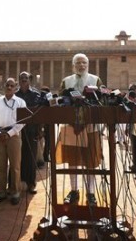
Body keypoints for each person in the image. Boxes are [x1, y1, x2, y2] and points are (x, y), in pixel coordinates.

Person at [56, 53, 103, 205]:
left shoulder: (95, 80)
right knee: (73, 161)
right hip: (71, 127)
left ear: (88, 64)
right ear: (73, 65)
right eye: (78, 63)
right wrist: (72, 121)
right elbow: (61, 103)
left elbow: (100, 103)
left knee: (91, 161)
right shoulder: (66, 81)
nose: (81, 65)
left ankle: (90, 193)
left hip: (90, 127)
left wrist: (85, 121)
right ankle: (74, 190)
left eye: (84, 63)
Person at [0, 78, 26, 205]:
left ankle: (15, 192)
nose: (9, 87)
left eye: (12, 85)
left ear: (16, 87)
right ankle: (1, 192)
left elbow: (23, 121)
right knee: (0, 166)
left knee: (15, 165)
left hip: (14, 135)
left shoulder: (20, 102)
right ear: (3, 86)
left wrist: (9, 134)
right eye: (7, 85)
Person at [16, 72, 41, 194]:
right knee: (18, 158)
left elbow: (38, 113)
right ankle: (19, 182)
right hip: (17, 131)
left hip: (31, 130)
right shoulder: (15, 95)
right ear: (19, 81)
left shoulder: (36, 94)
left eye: (26, 78)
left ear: (30, 80)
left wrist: (39, 129)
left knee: (31, 157)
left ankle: (31, 183)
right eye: (21, 78)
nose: (24, 80)